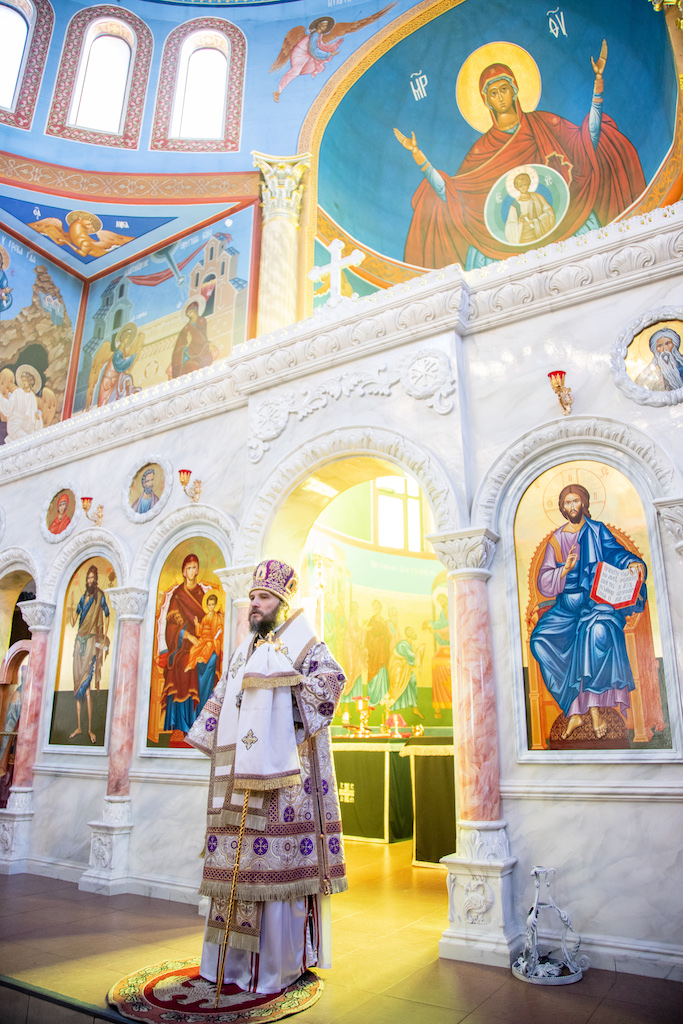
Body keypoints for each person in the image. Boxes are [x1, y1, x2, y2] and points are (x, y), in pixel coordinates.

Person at [187, 559, 347, 996]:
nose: (254, 605)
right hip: (238, 782)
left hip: (286, 784)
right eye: (252, 598)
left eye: (262, 598)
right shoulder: (244, 649)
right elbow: (224, 697)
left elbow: (332, 684)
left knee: (273, 873)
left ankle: (276, 969)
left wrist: (284, 686)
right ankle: (228, 966)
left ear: (281, 603)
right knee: (237, 871)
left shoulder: (306, 644)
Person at [395, 43, 645, 269]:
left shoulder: (544, 123)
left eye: (504, 89)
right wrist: (419, 156)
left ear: (514, 90)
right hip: (505, 250)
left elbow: (586, 143)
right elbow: (454, 194)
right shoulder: (481, 149)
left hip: (568, 223)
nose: (500, 97)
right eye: (493, 93)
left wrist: (598, 86)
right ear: (486, 101)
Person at [529, 484, 647, 741]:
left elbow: (616, 554)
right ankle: (572, 707)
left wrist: (631, 562)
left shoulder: (597, 531)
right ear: (562, 508)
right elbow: (544, 582)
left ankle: (593, 710)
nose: (572, 507)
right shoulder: (556, 540)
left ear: (584, 503)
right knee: (539, 641)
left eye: (576, 501)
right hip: (565, 607)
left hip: (595, 601)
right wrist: (565, 569)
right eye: (567, 503)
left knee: (596, 631)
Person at [159, 553, 211, 733]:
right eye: (188, 568)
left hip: (201, 640)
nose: (192, 571)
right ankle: (181, 724)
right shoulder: (178, 595)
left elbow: (208, 620)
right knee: (184, 664)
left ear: (198, 570)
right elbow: (171, 626)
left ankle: (202, 720)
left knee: (209, 662)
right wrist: (188, 636)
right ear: (183, 572)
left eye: (194, 567)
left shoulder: (202, 594)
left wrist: (202, 635)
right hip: (181, 645)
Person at [70, 565, 110, 744]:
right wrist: (71, 608)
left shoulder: (99, 596)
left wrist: (103, 637)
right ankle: (79, 726)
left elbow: (107, 614)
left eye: (93, 578)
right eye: (88, 578)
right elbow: (74, 621)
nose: (90, 581)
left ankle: (90, 729)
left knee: (87, 686)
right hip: (79, 640)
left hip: (92, 639)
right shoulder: (82, 597)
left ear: (96, 579)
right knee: (77, 684)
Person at [86, 322, 142, 409]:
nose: (128, 339)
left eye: (129, 337)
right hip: (108, 382)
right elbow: (120, 366)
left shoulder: (122, 350)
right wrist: (134, 356)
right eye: (127, 337)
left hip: (115, 380)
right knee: (106, 406)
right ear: (122, 337)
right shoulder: (118, 352)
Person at [184, 592, 224, 708]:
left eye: (213, 605)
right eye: (209, 605)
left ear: (215, 605)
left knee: (209, 646)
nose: (211, 607)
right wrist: (197, 624)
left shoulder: (217, 617)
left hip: (212, 639)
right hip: (204, 638)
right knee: (194, 649)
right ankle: (191, 664)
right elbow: (200, 632)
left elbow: (219, 629)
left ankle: (202, 658)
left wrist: (218, 632)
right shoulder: (206, 617)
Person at [504, 172, 555, 244]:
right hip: (523, 235)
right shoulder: (515, 204)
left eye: (525, 184)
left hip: (537, 231)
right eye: (520, 186)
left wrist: (535, 221)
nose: (523, 187)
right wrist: (519, 222)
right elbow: (510, 224)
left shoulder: (538, 197)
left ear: (528, 184)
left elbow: (549, 212)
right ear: (517, 188)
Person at [385, 625, 425, 718]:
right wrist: (420, 650)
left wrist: (418, 650)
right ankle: (388, 708)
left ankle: (415, 707)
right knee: (396, 685)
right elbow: (411, 656)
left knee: (413, 680)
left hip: (405, 667)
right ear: (409, 634)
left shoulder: (410, 644)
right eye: (412, 632)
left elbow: (412, 656)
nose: (414, 633)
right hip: (397, 666)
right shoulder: (403, 645)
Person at [423, 593, 451, 718]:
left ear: (446, 598)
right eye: (439, 601)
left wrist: (437, 630)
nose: (441, 602)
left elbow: (451, 627)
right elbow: (440, 623)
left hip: (451, 646)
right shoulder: (442, 613)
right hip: (444, 649)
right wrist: (431, 624)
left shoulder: (451, 609)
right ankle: (439, 708)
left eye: (442, 599)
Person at [170, 301, 213, 378]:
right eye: (188, 314)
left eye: (190, 312)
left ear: (195, 311)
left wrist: (195, 340)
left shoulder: (201, 321)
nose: (189, 315)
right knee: (189, 365)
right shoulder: (186, 328)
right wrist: (187, 345)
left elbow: (202, 335)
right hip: (189, 350)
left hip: (202, 346)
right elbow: (180, 344)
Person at [0, 368, 43, 443]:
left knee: (31, 436)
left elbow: (33, 414)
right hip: (15, 422)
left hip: (27, 424)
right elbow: (9, 407)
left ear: (30, 382)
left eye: (25, 381)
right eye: (23, 380)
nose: (24, 382)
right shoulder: (17, 392)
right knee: (25, 437)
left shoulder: (32, 396)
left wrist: (37, 417)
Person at [635, 327, 683, 392]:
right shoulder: (650, 371)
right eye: (660, 346)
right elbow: (639, 387)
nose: (664, 349)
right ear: (655, 349)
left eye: (667, 344)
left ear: (674, 345)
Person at [365, 599, 390, 706]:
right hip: (375, 650)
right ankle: (374, 696)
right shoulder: (372, 620)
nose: (377, 609)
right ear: (373, 609)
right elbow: (369, 636)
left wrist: (384, 639)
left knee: (383, 669)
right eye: (375, 607)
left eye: (378, 607)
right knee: (375, 669)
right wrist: (378, 639)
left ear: (381, 608)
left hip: (383, 650)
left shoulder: (384, 621)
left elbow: (387, 635)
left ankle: (383, 696)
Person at [341, 600, 363, 703]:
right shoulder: (351, 619)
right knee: (350, 669)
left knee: (356, 668)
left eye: (356, 606)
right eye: (353, 606)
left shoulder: (358, 619)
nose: (355, 608)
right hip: (350, 644)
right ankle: (344, 693)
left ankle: (351, 695)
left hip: (356, 646)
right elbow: (353, 634)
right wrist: (361, 632)